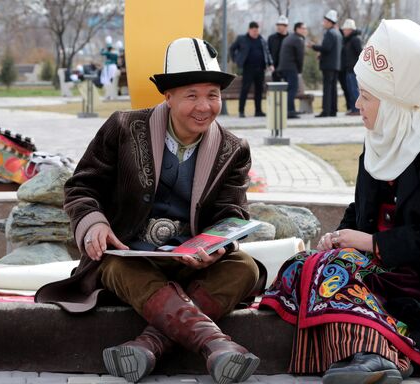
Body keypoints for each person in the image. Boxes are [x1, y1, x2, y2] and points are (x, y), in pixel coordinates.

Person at [260, 19, 420, 383]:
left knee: (331, 273)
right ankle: (372, 355)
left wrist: (372, 243)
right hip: (386, 265)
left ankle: (375, 352)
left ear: (393, 104)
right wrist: (341, 236)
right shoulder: (380, 136)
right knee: (303, 266)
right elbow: (361, 209)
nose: (357, 104)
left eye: (366, 97)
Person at [35, 38, 264, 384]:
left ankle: (149, 346)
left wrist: (214, 247)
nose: (204, 106)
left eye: (213, 94)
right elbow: (82, 186)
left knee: (244, 267)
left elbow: (232, 213)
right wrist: (93, 223)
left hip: (191, 265)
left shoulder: (233, 149)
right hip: (129, 258)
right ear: (168, 97)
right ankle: (215, 344)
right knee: (113, 262)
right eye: (192, 95)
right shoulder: (124, 128)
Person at [230, 21, 274, 118]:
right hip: (248, 68)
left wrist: (270, 64)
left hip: (260, 68)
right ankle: (241, 111)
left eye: (257, 31)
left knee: (259, 90)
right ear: (249, 30)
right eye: (254, 31)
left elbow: (267, 52)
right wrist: (236, 59)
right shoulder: (242, 39)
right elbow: (232, 49)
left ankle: (258, 111)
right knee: (245, 89)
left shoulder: (262, 39)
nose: (256, 33)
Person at [308, 9, 342, 117]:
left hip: (328, 65)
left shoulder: (329, 33)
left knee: (327, 88)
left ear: (330, 22)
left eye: (325, 21)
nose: (324, 23)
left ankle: (326, 111)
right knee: (333, 88)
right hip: (336, 64)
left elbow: (326, 48)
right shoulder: (338, 33)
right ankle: (333, 110)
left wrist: (313, 46)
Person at [277, 22, 307, 119]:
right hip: (291, 67)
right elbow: (300, 57)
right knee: (292, 89)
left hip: (284, 67)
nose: (305, 30)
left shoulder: (289, 37)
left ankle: (291, 109)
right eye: (303, 28)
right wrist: (300, 70)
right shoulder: (298, 39)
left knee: (289, 89)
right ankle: (289, 111)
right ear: (297, 29)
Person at [339, 18, 362, 116]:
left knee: (354, 90)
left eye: (345, 29)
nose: (343, 31)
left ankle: (358, 110)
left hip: (353, 70)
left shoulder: (355, 40)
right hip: (348, 69)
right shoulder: (347, 40)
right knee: (350, 90)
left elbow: (360, 54)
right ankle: (353, 108)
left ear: (350, 30)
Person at [268, 15, 289, 81]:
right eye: (278, 25)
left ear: (286, 26)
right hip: (275, 67)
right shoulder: (271, 38)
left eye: (281, 25)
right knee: (276, 87)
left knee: (288, 87)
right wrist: (270, 64)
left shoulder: (291, 38)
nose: (278, 27)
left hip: (288, 67)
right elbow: (268, 52)